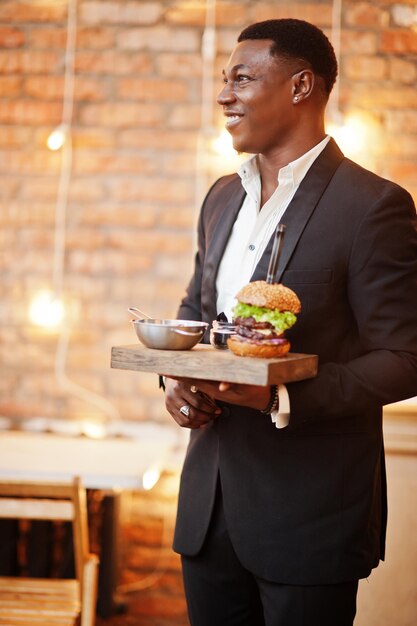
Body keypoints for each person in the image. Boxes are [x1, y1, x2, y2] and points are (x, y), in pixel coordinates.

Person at [163, 18, 417, 626]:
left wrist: (279, 392)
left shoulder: (374, 206)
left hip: (310, 520)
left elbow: (406, 358)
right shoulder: (220, 196)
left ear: (302, 86)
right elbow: (195, 314)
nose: (224, 94)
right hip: (208, 512)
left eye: (243, 79)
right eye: (225, 79)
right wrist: (176, 382)